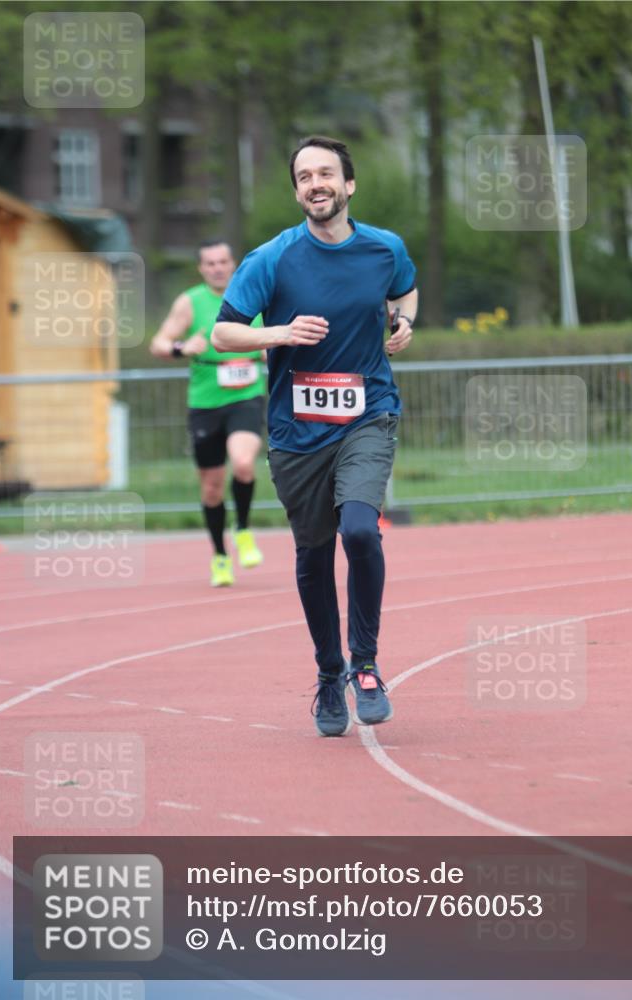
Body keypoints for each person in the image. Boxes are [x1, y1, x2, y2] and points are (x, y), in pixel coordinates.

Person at [212, 136, 417, 736]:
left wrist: (404, 322)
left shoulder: (385, 249)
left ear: (348, 185)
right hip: (297, 432)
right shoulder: (271, 258)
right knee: (312, 554)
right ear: (298, 191)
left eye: (326, 173)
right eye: (304, 176)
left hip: (367, 414)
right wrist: (279, 334)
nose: (315, 183)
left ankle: (368, 664)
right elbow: (225, 335)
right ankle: (330, 674)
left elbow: (402, 290)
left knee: (359, 527)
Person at [150, 240, 265, 586]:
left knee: (243, 463)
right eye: (210, 263)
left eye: (223, 261)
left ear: (233, 263)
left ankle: (242, 529)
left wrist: (267, 350)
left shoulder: (254, 295)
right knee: (212, 488)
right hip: (205, 404)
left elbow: (276, 335)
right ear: (202, 268)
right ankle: (219, 555)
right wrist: (183, 347)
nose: (217, 267)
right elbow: (158, 343)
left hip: (247, 395)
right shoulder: (190, 302)